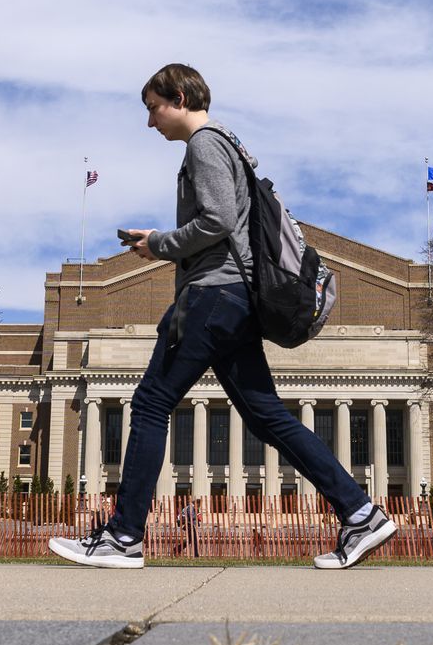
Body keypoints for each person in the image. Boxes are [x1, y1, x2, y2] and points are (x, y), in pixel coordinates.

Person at [49, 63, 395, 570]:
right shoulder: (230, 145)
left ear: (182, 97)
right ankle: (360, 512)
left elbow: (214, 222)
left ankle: (123, 538)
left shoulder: (205, 145)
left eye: (153, 108)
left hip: (210, 298)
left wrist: (160, 244)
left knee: (149, 403)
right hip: (235, 304)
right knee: (268, 417)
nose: (150, 123)